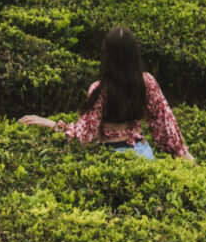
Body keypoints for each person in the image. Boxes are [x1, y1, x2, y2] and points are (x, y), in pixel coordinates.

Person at [19, 26, 194, 162]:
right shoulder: (147, 82)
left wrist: (51, 124)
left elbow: (84, 136)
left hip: (112, 157)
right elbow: (164, 123)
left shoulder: (100, 89)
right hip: (144, 154)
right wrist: (182, 153)